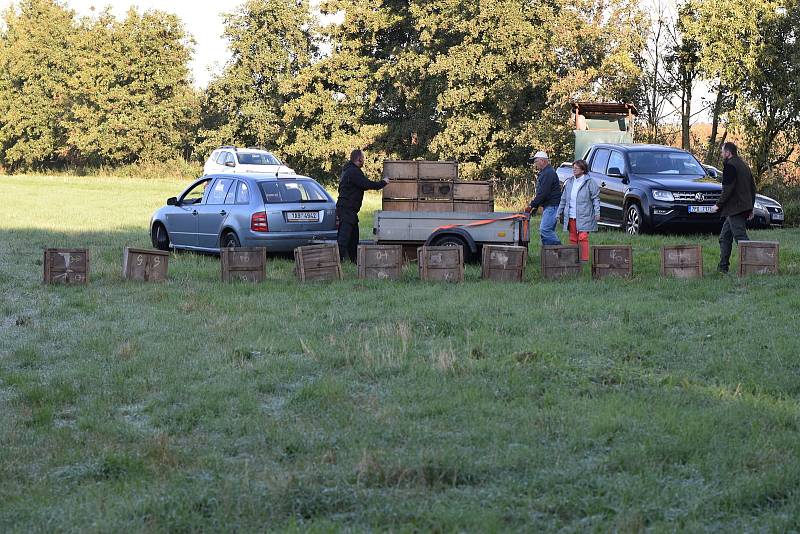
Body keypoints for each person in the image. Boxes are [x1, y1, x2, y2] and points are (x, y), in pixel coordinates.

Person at [711, 142, 756, 273]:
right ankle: (722, 268)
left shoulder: (730, 166)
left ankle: (754, 266)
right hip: (740, 208)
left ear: (728, 153)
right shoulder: (743, 165)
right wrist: (750, 207)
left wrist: (718, 205)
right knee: (724, 237)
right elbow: (752, 188)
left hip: (735, 208)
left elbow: (727, 189)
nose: (721, 153)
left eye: (722, 151)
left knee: (741, 238)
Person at [336, 149, 388, 262]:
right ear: (359, 159)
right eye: (363, 158)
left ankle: (354, 260)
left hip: (348, 210)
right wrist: (383, 182)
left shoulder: (348, 170)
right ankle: (336, 263)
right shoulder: (353, 172)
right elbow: (367, 184)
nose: (364, 160)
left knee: (354, 237)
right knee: (344, 238)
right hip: (347, 209)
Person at [556, 159, 600, 262]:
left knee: (583, 237)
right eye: (573, 168)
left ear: (583, 169)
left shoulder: (590, 182)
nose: (574, 170)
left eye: (576, 168)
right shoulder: (570, 182)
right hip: (571, 216)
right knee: (572, 238)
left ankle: (584, 260)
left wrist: (597, 212)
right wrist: (558, 213)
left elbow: (596, 199)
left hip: (585, 215)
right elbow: (563, 199)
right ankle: (573, 260)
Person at [526, 151, 562, 245]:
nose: (535, 164)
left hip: (552, 206)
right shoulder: (545, 172)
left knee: (545, 230)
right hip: (549, 206)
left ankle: (561, 251)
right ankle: (549, 256)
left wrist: (532, 205)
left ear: (542, 161)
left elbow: (543, 193)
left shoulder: (548, 173)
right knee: (547, 231)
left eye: (536, 161)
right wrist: (536, 207)